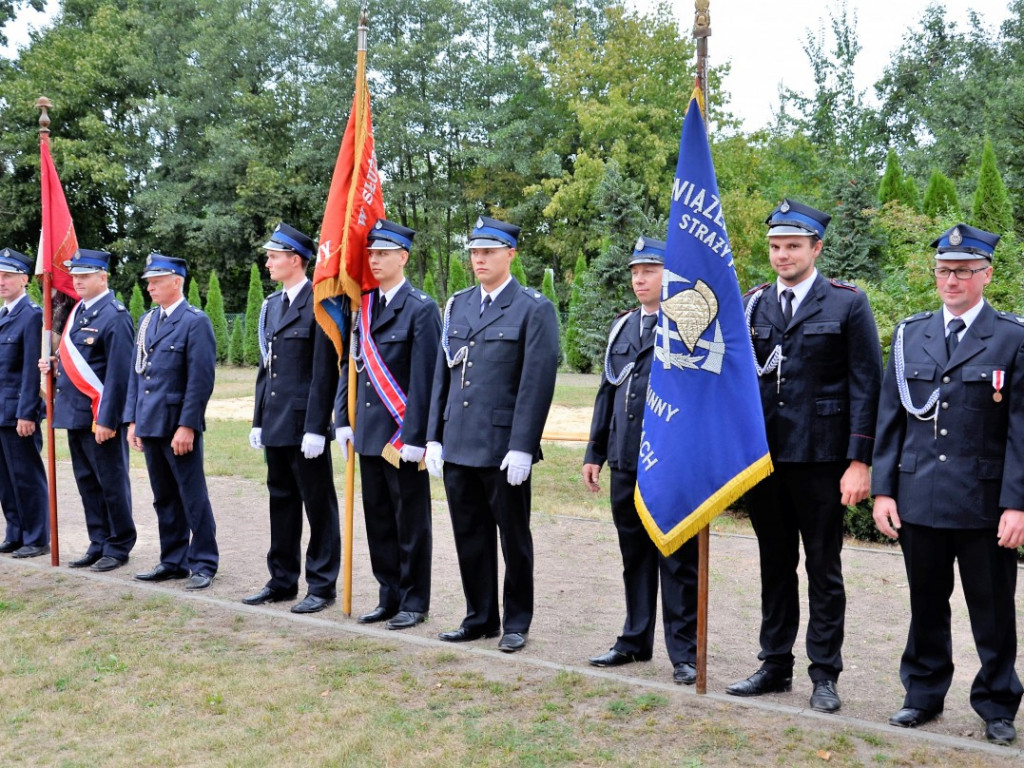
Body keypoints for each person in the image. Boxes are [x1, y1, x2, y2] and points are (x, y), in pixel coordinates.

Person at [872, 224, 1024, 746]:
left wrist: (1017, 504)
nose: (951, 279)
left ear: (987, 274)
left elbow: (1021, 429)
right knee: (926, 604)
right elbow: (890, 418)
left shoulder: (1012, 337)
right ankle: (922, 695)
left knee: (993, 608)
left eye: (963, 270)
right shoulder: (911, 333)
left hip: (984, 502)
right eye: (944, 270)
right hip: (920, 495)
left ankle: (997, 704)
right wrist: (884, 490)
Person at [728, 199, 882, 713]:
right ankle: (774, 664)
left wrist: (859, 461)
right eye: (775, 246)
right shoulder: (752, 303)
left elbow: (867, 384)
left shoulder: (846, 304)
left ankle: (824, 673)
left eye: (793, 246)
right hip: (765, 460)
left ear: (816, 247)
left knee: (823, 567)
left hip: (821, 459)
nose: (782, 255)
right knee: (774, 564)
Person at [425, 216, 559, 653]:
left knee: (513, 538)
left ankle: (516, 622)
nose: (479, 259)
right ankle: (479, 616)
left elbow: (535, 384)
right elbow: (442, 377)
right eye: (474, 252)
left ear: (510, 255)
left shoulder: (533, 307)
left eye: (488, 251)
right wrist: (434, 436)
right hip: (460, 442)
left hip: (503, 448)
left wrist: (522, 446)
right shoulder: (458, 305)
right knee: (469, 535)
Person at [582, 236, 698, 685]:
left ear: (669, 275)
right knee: (634, 555)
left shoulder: (688, 326)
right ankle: (634, 640)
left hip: (669, 464)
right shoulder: (622, 327)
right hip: (626, 459)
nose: (640, 279)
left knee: (676, 557)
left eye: (649, 270)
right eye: (635, 272)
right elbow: (607, 392)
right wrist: (596, 452)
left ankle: (684, 652)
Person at [335, 219, 440, 630]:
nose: (375, 260)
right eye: (372, 254)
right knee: (378, 520)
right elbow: (352, 366)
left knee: (410, 522)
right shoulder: (364, 306)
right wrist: (343, 420)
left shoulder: (421, 308)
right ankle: (388, 595)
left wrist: (416, 437)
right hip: (369, 433)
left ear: (403, 257)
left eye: (383, 254)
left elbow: (425, 378)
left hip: (402, 437)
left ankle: (415, 600)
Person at [243, 223, 341, 614]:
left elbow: (324, 371)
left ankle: (321, 584)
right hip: (277, 421)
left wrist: (318, 426)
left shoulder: (319, 302)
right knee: (280, 502)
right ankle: (282, 580)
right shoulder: (272, 304)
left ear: (295, 260)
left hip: (305, 426)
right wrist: (257, 419)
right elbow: (267, 369)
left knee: (318, 506)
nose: (268, 262)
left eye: (273, 256)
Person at [125, 254, 219, 590]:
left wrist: (188, 425)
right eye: (148, 281)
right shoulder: (148, 320)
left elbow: (200, 380)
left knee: (192, 496)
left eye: (156, 281)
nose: (149, 287)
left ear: (176, 281)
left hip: (177, 425)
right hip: (151, 422)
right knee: (163, 496)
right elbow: (138, 375)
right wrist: (132, 421)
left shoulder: (195, 321)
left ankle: (204, 562)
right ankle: (173, 560)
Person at [39, 249, 136, 571]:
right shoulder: (78, 311)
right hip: (75, 414)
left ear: (103, 277)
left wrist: (107, 419)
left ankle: (118, 544)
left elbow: (119, 375)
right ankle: (98, 541)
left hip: (99, 417)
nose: (77, 281)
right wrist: (53, 364)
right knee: (87, 483)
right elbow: (75, 362)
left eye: (84, 275)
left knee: (110, 482)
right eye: (75, 275)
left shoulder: (116, 315)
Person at [0, 248, 48, 558]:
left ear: (24, 279)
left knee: (26, 476)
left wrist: (27, 412)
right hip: (0, 411)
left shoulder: (31, 315)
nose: (1, 282)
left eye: (6, 276)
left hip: (19, 412)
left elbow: (33, 368)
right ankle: (15, 532)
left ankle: (36, 537)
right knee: (6, 478)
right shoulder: (4, 314)